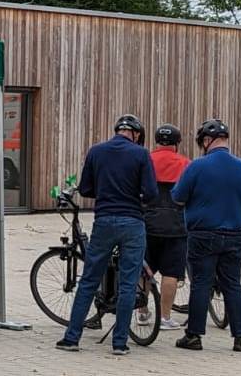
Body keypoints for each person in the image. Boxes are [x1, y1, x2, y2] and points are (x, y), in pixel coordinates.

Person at [56, 114, 158, 356]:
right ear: (135, 134)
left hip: (103, 221)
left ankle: (71, 338)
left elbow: (87, 188)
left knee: (89, 280)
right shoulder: (141, 154)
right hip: (133, 222)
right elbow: (151, 192)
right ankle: (119, 343)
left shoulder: (96, 151)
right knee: (127, 284)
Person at [172, 119, 241, 353]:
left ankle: (194, 336)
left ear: (206, 141)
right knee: (233, 285)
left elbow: (178, 196)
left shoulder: (198, 166)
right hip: (236, 235)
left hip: (203, 234)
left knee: (201, 284)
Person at [143, 124, 191, 330]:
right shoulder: (186, 164)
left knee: (144, 269)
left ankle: (142, 312)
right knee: (171, 272)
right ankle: (164, 317)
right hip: (176, 225)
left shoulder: (146, 160)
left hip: (148, 223)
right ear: (177, 143)